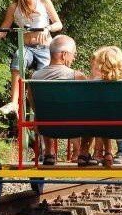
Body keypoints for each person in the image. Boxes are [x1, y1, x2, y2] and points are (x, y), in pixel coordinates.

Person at [0, 0, 62, 116]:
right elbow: (4, 30)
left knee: (41, 80)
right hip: (27, 48)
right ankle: (14, 103)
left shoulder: (43, 0)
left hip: (45, 48)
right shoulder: (15, 7)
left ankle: (42, 110)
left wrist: (47, 28)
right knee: (19, 57)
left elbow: (58, 24)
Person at [30, 35, 85, 165]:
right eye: (73, 54)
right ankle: (80, 152)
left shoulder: (35, 77)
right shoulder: (77, 76)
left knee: (43, 112)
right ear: (64, 55)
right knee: (79, 111)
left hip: (46, 127)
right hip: (73, 127)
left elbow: (33, 105)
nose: (74, 57)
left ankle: (49, 152)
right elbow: (85, 105)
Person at [77, 46, 122, 167]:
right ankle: (109, 152)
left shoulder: (92, 87)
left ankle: (85, 151)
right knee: (104, 115)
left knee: (94, 114)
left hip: (97, 125)